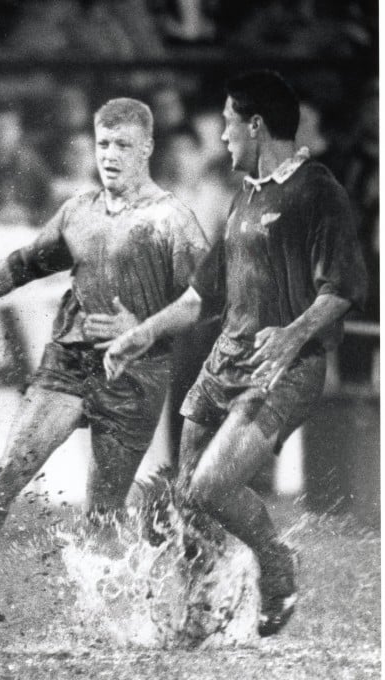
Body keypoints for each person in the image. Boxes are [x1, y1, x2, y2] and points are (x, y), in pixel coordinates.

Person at [0, 98, 210, 619]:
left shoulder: (172, 220)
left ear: (147, 148)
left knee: (103, 512)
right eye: (103, 144)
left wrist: (139, 330)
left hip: (134, 373)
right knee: (7, 473)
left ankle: (123, 612)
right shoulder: (79, 211)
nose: (109, 155)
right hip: (68, 361)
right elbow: (22, 265)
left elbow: (205, 299)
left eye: (122, 145)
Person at [103, 71, 367, 636]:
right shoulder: (245, 196)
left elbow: (344, 287)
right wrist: (142, 333)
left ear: (255, 125)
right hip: (222, 365)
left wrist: (293, 334)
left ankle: (276, 563)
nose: (221, 135)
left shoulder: (317, 190)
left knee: (211, 488)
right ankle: (196, 613)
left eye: (228, 122)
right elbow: (203, 295)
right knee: (185, 501)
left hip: (283, 369)